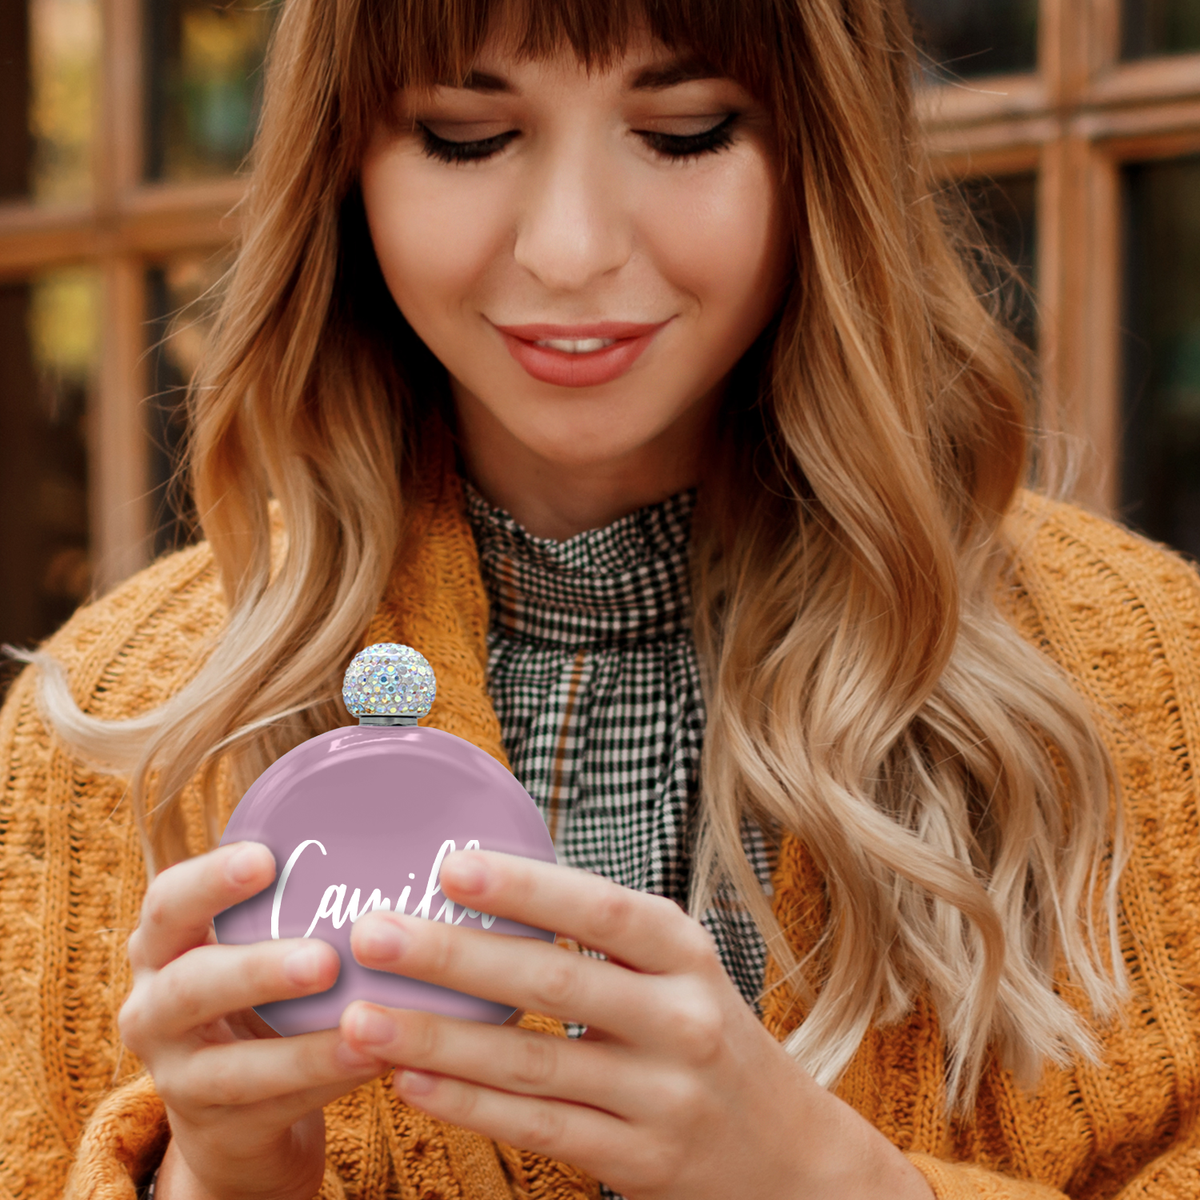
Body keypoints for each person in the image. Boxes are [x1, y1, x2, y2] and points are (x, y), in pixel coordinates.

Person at [3, 0, 1200, 1197]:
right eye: (464, 136)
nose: (570, 251)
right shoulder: (115, 726)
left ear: (826, 152)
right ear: (341, 162)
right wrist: (214, 1180)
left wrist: (834, 1182)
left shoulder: (1158, 678)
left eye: (685, 131)